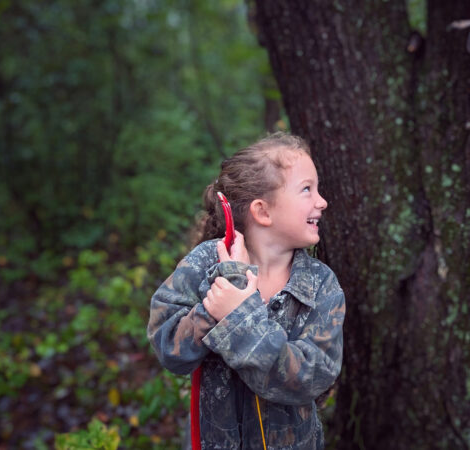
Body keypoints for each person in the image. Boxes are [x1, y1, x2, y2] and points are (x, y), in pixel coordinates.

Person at [147, 132, 345, 450]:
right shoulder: (205, 263)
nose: (321, 201)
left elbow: (312, 378)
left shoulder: (322, 286)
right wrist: (211, 311)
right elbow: (169, 349)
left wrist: (239, 316)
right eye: (307, 189)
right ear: (263, 212)